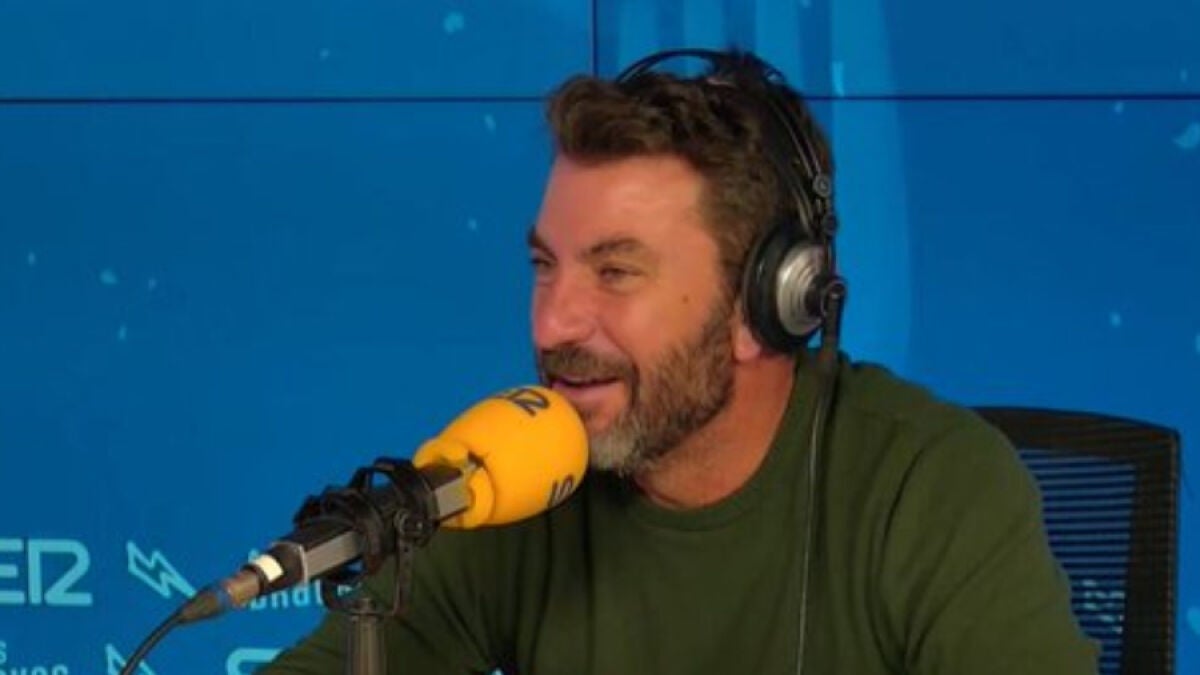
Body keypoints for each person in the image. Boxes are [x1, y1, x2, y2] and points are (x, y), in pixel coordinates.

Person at [262, 48, 1097, 674]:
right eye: (545, 265)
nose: (553, 322)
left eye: (616, 272)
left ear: (763, 304)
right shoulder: (515, 477)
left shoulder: (931, 487)